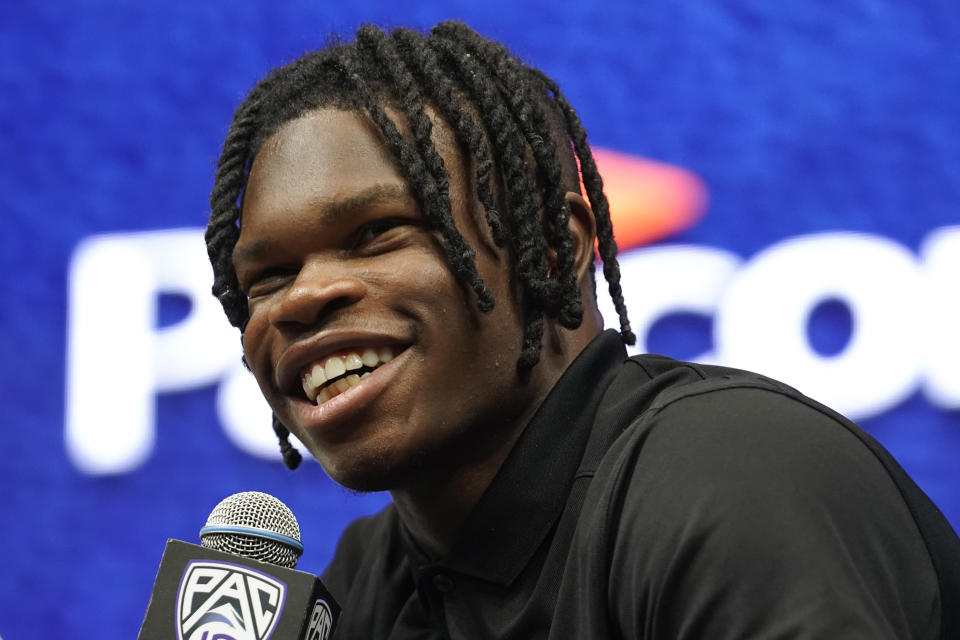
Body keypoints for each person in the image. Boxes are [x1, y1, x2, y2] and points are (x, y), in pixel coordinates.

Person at [205, 22, 960, 639]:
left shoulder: (727, 484)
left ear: (560, 250)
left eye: (376, 233)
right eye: (264, 279)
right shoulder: (363, 587)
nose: (300, 300)